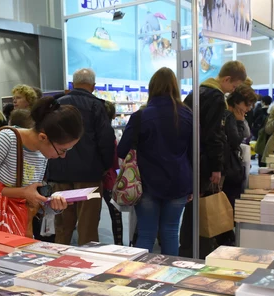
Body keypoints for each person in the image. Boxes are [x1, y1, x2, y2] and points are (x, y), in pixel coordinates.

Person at [117, 68, 193, 255]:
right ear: (175, 87)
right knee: (170, 231)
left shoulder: (141, 116)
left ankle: (140, 277)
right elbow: (194, 153)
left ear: (152, 87)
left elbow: (121, 150)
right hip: (179, 182)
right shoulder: (188, 115)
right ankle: (171, 275)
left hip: (146, 183)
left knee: (146, 233)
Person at [0, 97, 83, 213]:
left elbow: (32, 202)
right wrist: (22, 192)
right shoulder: (6, 140)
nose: (63, 156)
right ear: (43, 137)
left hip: (21, 226)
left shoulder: (42, 152)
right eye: (62, 150)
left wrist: (51, 205)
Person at [180, 60, 247, 259]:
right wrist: (217, 166)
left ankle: (187, 249)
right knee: (203, 211)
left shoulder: (196, 92)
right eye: (233, 86)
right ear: (226, 79)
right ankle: (200, 252)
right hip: (205, 162)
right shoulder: (217, 97)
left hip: (191, 158)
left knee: (192, 211)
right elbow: (214, 134)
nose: (231, 91)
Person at [49, 68, 115, 245]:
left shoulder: (56, 105)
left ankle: (57, 264)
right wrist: (104, 167)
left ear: (73, 84)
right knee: (88, 226)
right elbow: (106, 140)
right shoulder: (97, 106)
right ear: (93, 86)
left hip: (60, 173)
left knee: (62, 225)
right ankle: (88, 266)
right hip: (89, 176)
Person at [217, 84, 257, 246]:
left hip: (227, 166)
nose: (247, 109)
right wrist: (240, 121)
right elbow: (236, 140)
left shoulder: (228, 114)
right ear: (238, 102)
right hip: (227, 167)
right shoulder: (229, 116)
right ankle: (225, 237)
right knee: (227, 203)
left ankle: (225, 235)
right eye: (246, 105)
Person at [102, 101, 123, 246]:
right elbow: (115, 161)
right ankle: (119, 244)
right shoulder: (110, 134)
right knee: (116, 215)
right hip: (110, 179)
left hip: (96, 178)